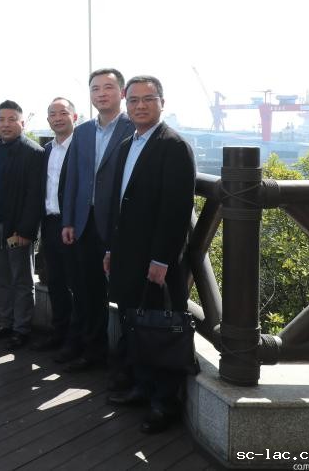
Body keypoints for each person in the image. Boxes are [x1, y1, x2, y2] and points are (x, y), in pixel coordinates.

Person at [106, 75, 196, 434]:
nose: (140, 106)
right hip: (127, 254)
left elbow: (177, 209)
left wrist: (162, 259)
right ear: (126, 104)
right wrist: (111, 249)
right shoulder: (127, 143)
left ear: (162, 102)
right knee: (136, 323)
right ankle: (142, 387)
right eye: (134, 100)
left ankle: (165, 403)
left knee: (161, 327)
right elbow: (120, 203)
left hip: (157, 260)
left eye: (148, 99)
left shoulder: (173, 145)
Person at [60, 68, 135, 374]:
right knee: (86, 289)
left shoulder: (134, 127)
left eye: (108, 87)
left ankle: (127, 361)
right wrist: (68, 220)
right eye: (95, 88)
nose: (101, 94)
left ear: (122, 93)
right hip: (84, 222)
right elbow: (72, 178)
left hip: (119, 224)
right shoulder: (82, 132)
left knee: (125, 294)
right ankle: (92, 350)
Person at [0, 100, 44, 350]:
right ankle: (5, 324)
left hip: (17, 230)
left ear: (22, 123)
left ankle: (21, 329)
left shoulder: (33, 152)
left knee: (21, 280)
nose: (5, 124)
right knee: (1, 278)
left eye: (11, 119)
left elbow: (34, 196)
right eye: (1, 120)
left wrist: (26, 230)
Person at [32, 97, 79, 354]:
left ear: (75, 117)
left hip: (74, 225)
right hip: (50, 224)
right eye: (53, 114)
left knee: (77, 284)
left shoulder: (82, 148)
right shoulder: (47, 150)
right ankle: (58, 333)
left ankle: (76, 340)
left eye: (63, 113)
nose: (58, 118)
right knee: (56, 282)